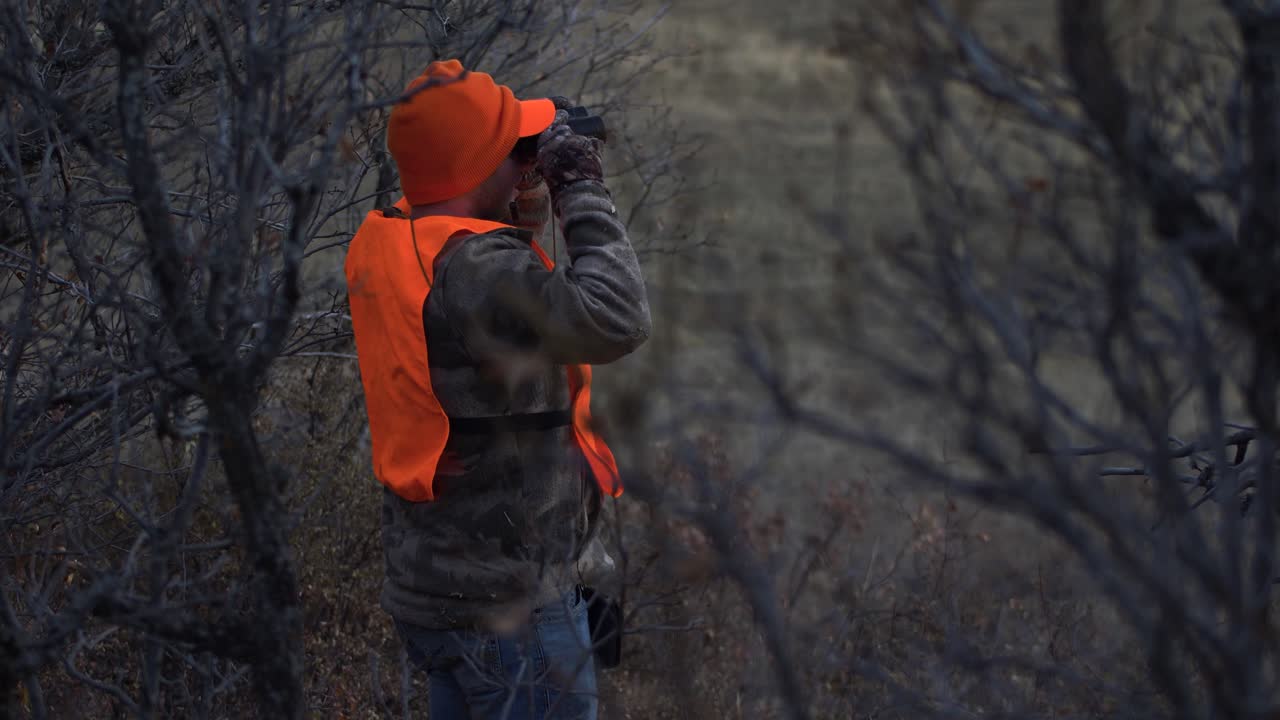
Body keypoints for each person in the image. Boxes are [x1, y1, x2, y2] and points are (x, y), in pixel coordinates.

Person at [344, 59, 651, 720]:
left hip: (441, 590)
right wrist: (579, 185)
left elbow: (498, 308)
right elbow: (616, 315)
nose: (526, 161)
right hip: (510, 613)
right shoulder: (475, 273)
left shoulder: (400, 241)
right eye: (513, 151)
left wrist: (518, 189)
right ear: (473, 172)